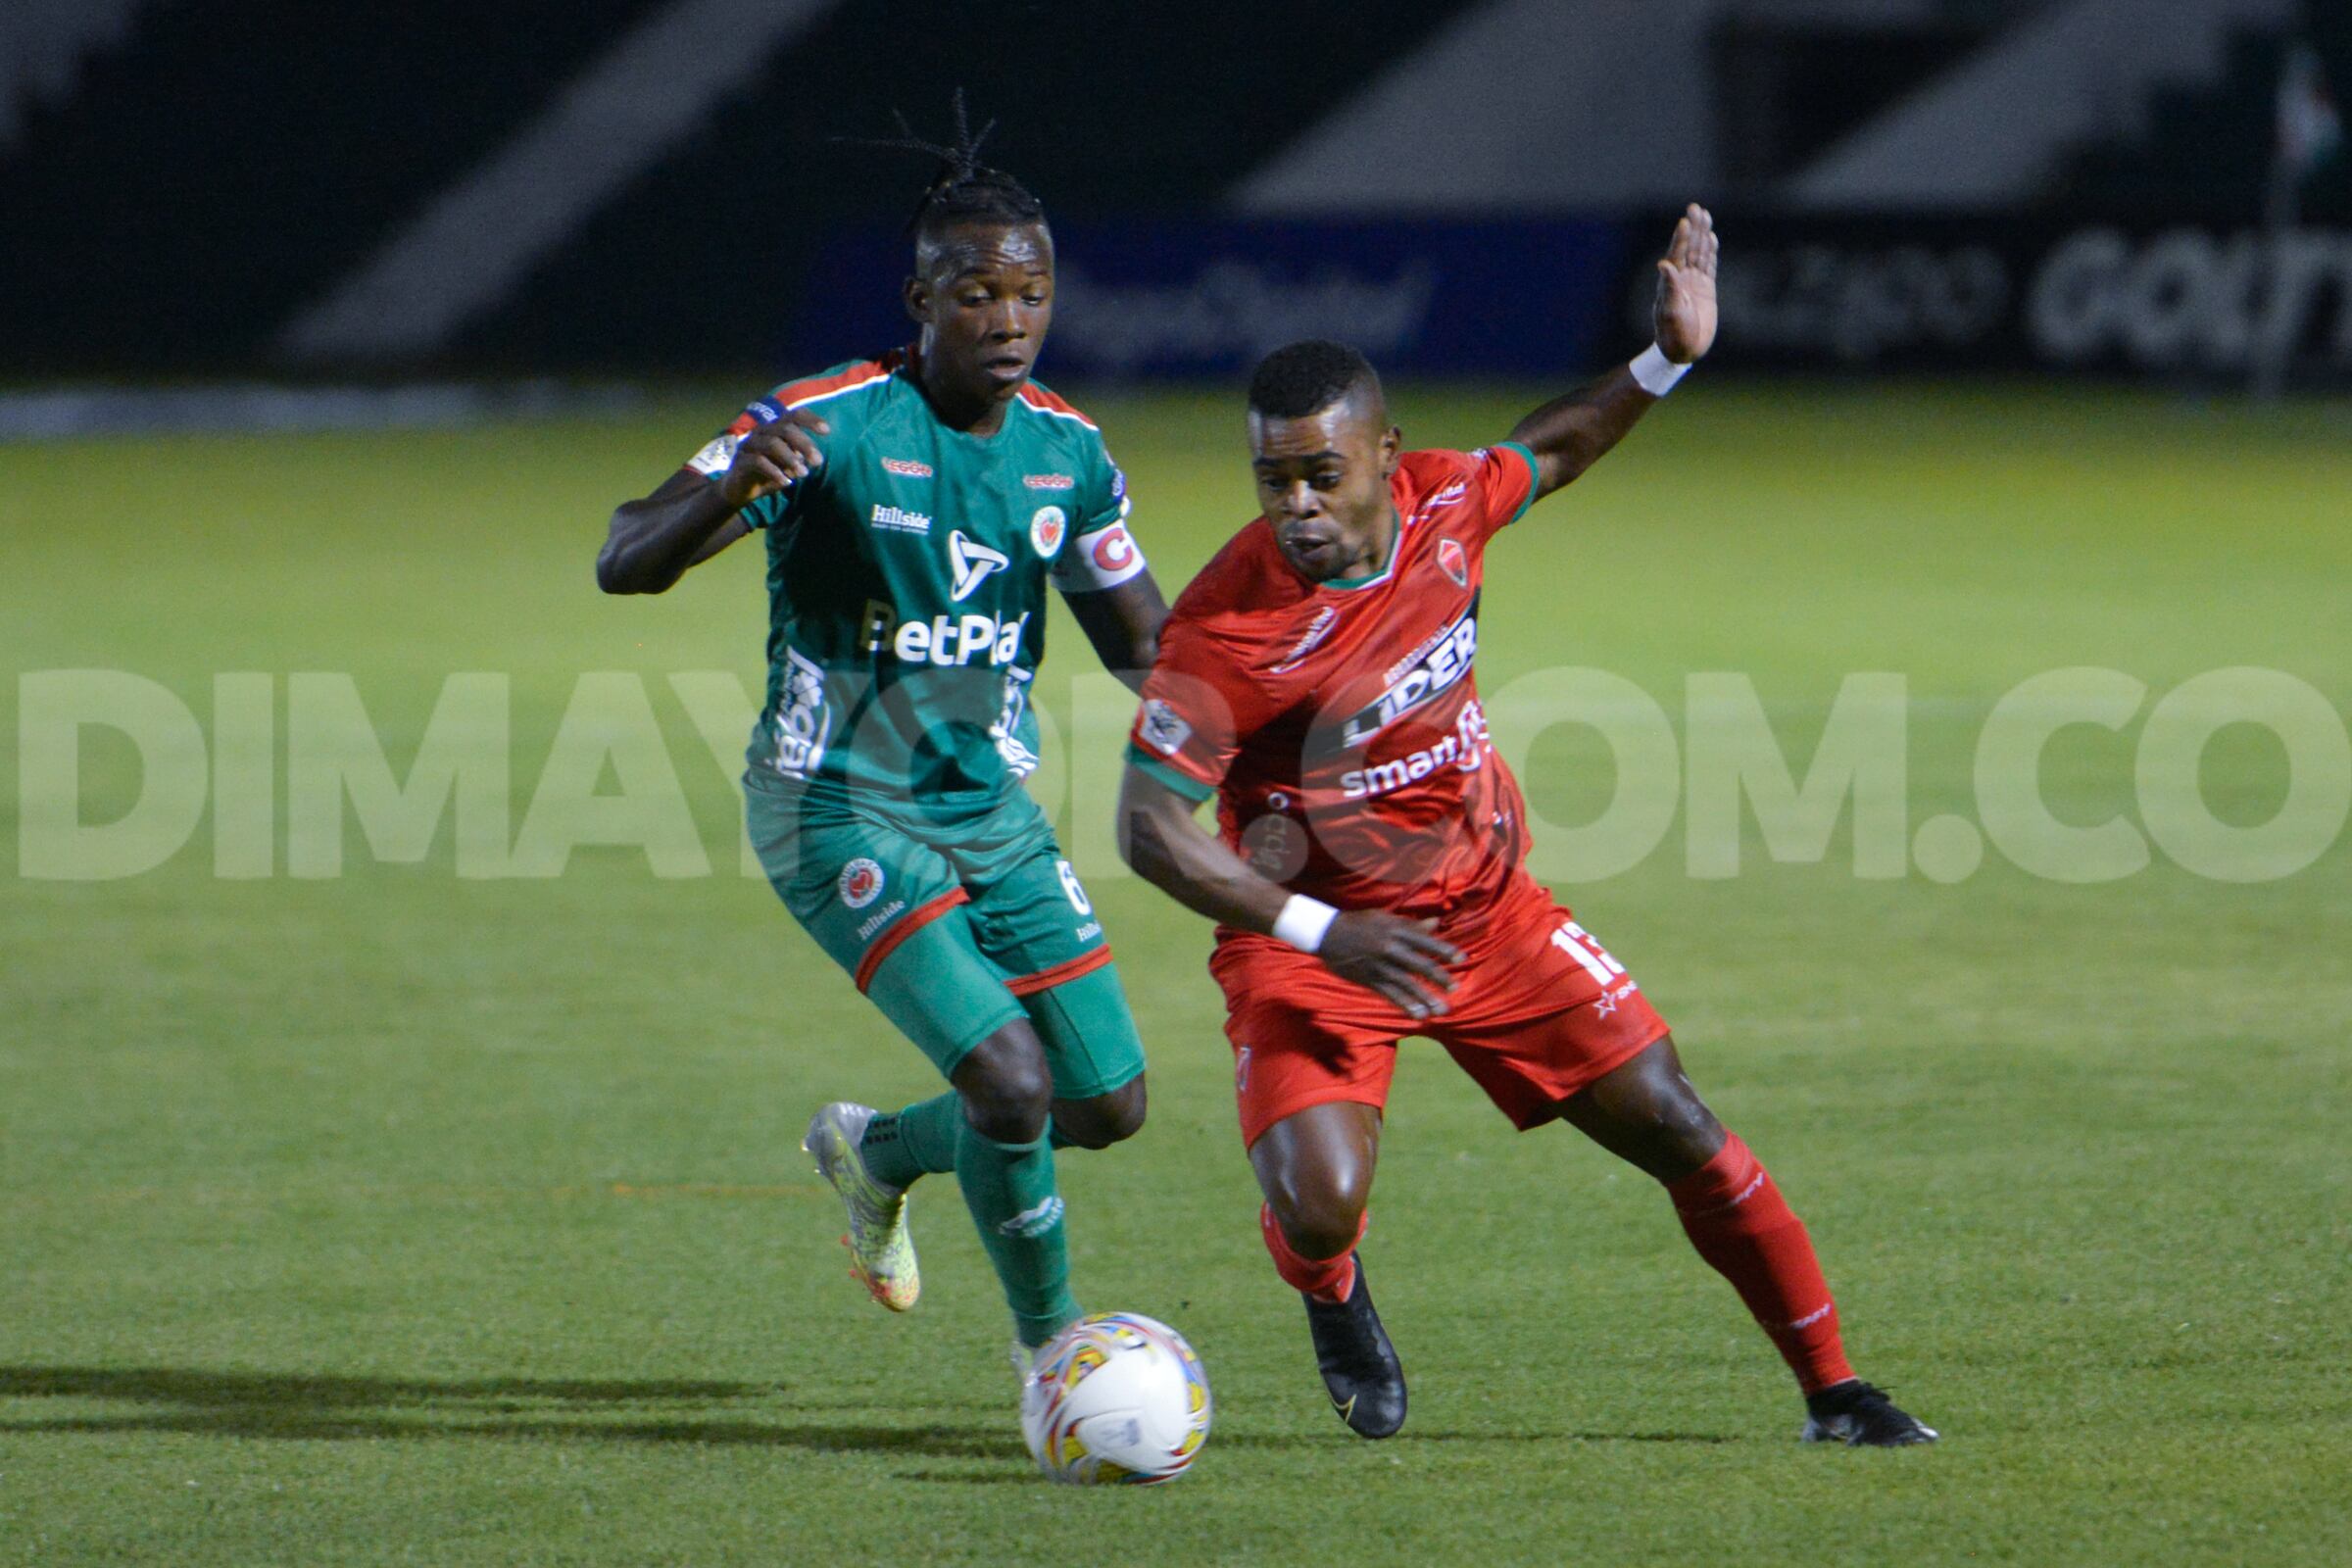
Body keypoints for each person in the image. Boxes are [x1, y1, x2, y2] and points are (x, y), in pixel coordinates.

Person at [1115, 207, 1934, 1446]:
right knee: (1320, 1201)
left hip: (1481, 908)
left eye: (1319, 474)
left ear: (1386, 455)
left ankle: (1837, 1393)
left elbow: (1552, 447)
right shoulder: (1227, 628)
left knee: (1678, 1121)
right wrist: (1319, 931)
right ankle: (1332, 1288)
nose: (1294, 505)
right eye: (1270, 479)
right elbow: (1148, 828)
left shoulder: (1448, 501)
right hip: (1312, 937)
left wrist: (1665, 360)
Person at [596, 101, 1168, 1389]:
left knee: (1103, 1104)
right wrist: (729, 491)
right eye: (978, 294)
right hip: (836, 805)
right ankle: (1054, 1365)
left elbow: (1143, 643)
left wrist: (1265, 723)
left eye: (1032, 293)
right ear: (920, 297)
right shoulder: (833, 423)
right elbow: (621, 557)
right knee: (1012, 1081)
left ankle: (884, 1152)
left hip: (987, 806)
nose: (1010, 318)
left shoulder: (1067, 454)